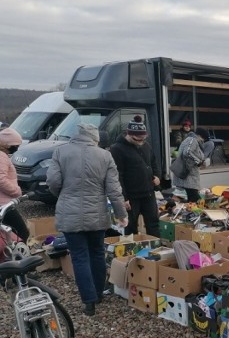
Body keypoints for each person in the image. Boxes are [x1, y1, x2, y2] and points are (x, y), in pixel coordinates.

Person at [46, 123, 127, 316]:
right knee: (97, 253)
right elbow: (114, 190)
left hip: (69, 211)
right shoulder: (105, 155)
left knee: (79, 257)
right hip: (97, 213)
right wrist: (121, 214)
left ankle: (89, 301)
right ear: (95, 138)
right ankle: (98, 293)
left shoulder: (60, 152)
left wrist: (64, 194)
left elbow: (53, 182)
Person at [109, 115, 161, 237]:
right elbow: (117, 176)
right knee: (130, 227)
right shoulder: (117, 149)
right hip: (131, 197)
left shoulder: (146, 145)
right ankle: (132, 251)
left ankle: (156, 247)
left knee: (153, 223)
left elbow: (153, 163)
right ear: (129, 134)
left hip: (148, 193)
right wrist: (124, 198)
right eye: (137, 139)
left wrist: (157, 176)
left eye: (143, 138)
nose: (140, 142)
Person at [0, 128, 29, 241]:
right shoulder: (1, 156)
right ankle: (19, 258)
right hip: (3, 204)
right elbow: (1, 179)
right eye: (16, 145)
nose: (17, 147)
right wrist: (16, 191)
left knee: (8, 234)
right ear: (7, 144)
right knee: (21, 233)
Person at [172, 128, 210, 202]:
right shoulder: (192, 140)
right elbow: (188, 152)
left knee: (190, 198)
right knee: (194, 199)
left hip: (187, 175)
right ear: (199, 135)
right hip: (188, 175)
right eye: (202, 138)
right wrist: (198, 161)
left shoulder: (191, 140)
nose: (202, 140)